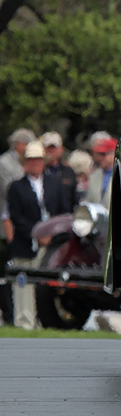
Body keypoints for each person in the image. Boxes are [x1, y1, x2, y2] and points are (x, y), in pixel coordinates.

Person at [6, 141, 75, 329]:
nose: (35, 163)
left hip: (52, 244)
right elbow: (16, 216)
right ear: (25, 163)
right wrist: (36, 234)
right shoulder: (16, 187)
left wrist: (51, 235)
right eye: (31, 160)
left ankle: (45, 321)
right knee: (23, 283)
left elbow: (64, 213)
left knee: (46, 284)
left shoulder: (55, 185)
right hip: (26, 242)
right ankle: (24, 321)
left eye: (38, 160)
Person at [0, 128, 35, 325]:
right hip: (7, 222)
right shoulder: (4, 163)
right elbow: (10, 187)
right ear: (19, 144)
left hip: (20, 217)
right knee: (12, 269)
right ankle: (10, 314)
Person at [39, 132, 77, 210]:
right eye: (48, 147)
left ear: (61, 149)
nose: (51, 150)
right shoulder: (37, 171)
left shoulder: (69, 172)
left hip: (64, 217)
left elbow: (74, 199)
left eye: (54, 147)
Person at [85, 137, 117, 208]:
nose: (100, 158)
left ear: (113, 154)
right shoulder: (93, 176)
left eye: (103, 154)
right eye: (98, 154)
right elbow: (89, 200)